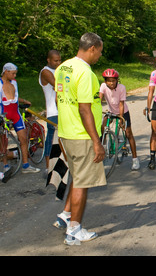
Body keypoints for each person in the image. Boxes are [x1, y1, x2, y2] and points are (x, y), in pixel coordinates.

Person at [53, 32, 106, 245]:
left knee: (76, 175)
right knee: (83, 183)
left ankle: (66, 214)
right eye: (99, 52)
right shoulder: (86, 73)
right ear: (92, 48)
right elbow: (85, 109)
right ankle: (74, 230)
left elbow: (59, 98)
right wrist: (96, 141)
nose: (99, 56)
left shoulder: (63, 67)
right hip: (81, 135)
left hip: (65, 132)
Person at [0, 62, 40, 174]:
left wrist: (24, 101)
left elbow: (15, 97)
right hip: (4, 114)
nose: (14, 76)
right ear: (6, 72)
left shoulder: (14, 83)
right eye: (13, 73)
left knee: (23, 138)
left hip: (15, 113)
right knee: (3, 141)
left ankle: (26, 165)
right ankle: (6, 165)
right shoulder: (0, 83)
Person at [100, 68, 139, 170]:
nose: (111, 83)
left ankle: (135, 159)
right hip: (111, 110)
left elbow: (121, 104)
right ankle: (102, 148)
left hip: (123, 112)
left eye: (113, 80)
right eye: (108, 80)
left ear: (117, 80)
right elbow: (99, 100)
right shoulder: (103, 86)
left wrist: (121, 118)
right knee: (103, 126)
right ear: (105, 81)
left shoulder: (122, 88)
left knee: (128, 133)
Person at [39, 50, 62, 174]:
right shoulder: (45, 72)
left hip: (63, 110)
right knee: (51, 140)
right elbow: (59, 85)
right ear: (48, 60)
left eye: (60, 60)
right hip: (53, 112)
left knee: (62, 140)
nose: (58, 63)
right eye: (55, 60)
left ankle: (60, 165)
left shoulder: (59, 70)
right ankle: (48, 167)